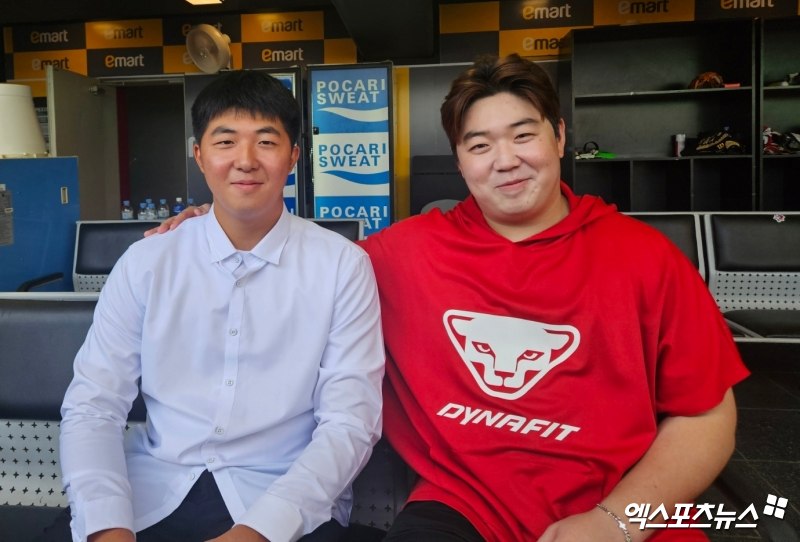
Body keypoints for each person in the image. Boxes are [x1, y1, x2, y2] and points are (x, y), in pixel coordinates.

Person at [156, 55, 748, 542]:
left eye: (524, 135)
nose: (506, 161)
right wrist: (220, 221)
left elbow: (707, 414)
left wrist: (616, 522)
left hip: (618, 507)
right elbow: (294, 260)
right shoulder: (399, 256)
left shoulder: (645, 258)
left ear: (560, 136)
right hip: (462, 505)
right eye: (479, 144)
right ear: (460, 159)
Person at [52, 71, 385, 542]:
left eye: (266, 142)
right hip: (151, 492)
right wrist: (106, 526)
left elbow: (349, 421)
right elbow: (94, 405)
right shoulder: (148, 261)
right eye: (226, 141)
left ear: (293, 156)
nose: (245, 161)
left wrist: (258, 531)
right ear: (199, 155)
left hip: (282, 500)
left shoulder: (342, 266)